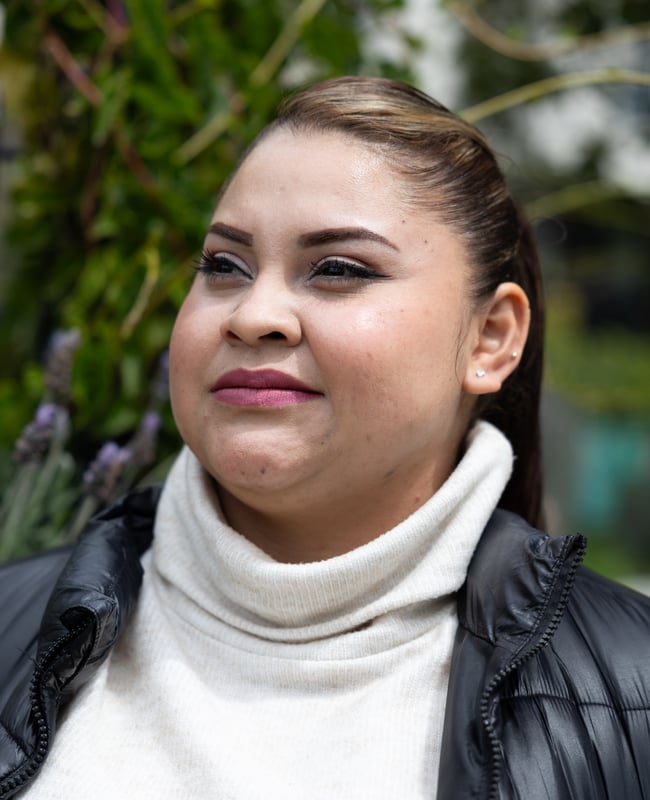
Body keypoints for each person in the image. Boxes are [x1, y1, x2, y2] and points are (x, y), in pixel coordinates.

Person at [0, 76, 648, 800]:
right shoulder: (12, 633)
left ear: (490, 338)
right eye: (224, 266)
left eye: (338, 269)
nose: (254, 315)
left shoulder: (631, 698)